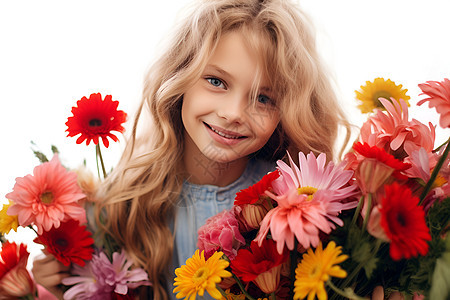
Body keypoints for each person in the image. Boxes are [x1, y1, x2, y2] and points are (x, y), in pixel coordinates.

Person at [32, 0, 354, 299]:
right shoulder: (125, 203)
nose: (233, 113)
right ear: (179, 78)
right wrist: (51, 284)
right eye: (216, 81)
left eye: (263, 98)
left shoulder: (290, 199)